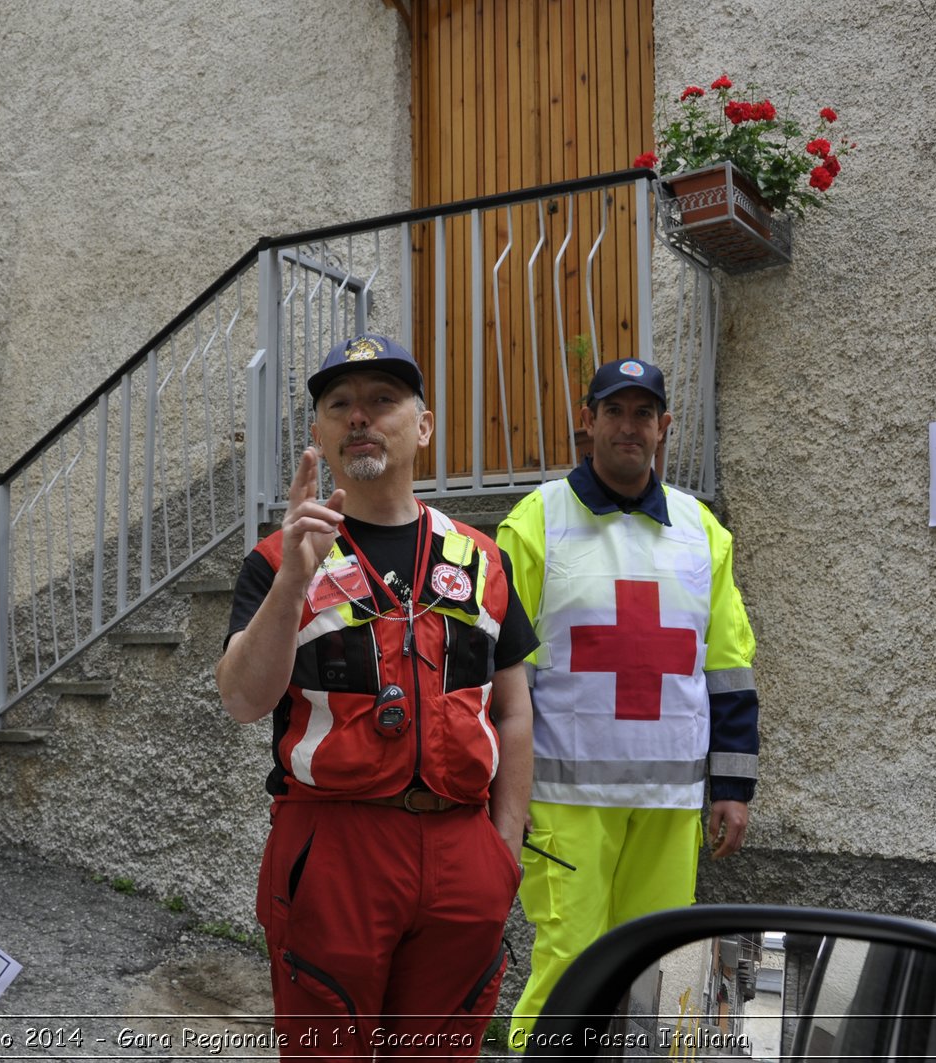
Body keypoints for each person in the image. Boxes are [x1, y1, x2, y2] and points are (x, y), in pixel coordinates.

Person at [216, 333, 538, 1059]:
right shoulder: (275, 560)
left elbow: (514, 708)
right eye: (340, 405)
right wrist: (296, 581)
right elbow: (241, 699)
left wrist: (504, 847)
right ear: (321, 435)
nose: (359, 417)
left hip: (463, 851)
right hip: (335, 849)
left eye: (383, 401)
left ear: (422, 426)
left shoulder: (482, 559)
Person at [495, 357, 760, 1050]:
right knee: (569, 967)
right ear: (588, 420)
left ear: (664, 428)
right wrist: (499, 794)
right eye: (614, 410)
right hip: (564, 803)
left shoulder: (702, 531)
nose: (628, 425)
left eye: (644, 413)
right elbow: (496, 668)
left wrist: (732, 785)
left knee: (664, 972)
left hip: (669, 807)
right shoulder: (536, 521)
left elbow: (728, 665)